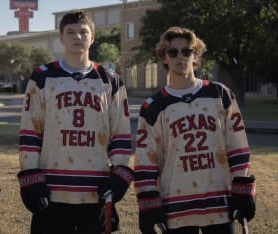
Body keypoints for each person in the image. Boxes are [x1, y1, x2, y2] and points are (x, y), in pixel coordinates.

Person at [17, 10, 134, 234]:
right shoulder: (42, 76)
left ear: (93, 37)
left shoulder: (110, 80)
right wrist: (31, 177)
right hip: (52, 188)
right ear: (61, 37)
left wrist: (118, 174)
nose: (77, 37)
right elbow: (31, 132)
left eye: (83, 32)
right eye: (70, 32)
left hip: (96, 188)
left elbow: (120, 133)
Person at [134, 26, 256, 234]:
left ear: (196, 55)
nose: (180, 56)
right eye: (173, 52)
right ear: (164, 57)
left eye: (187, 51)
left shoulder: (220, 94)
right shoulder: (153, 106)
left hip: (219, 202)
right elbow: (146, 159)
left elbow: (238, 146)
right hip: (176, 206)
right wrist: (148, 203)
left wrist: (242, 188)